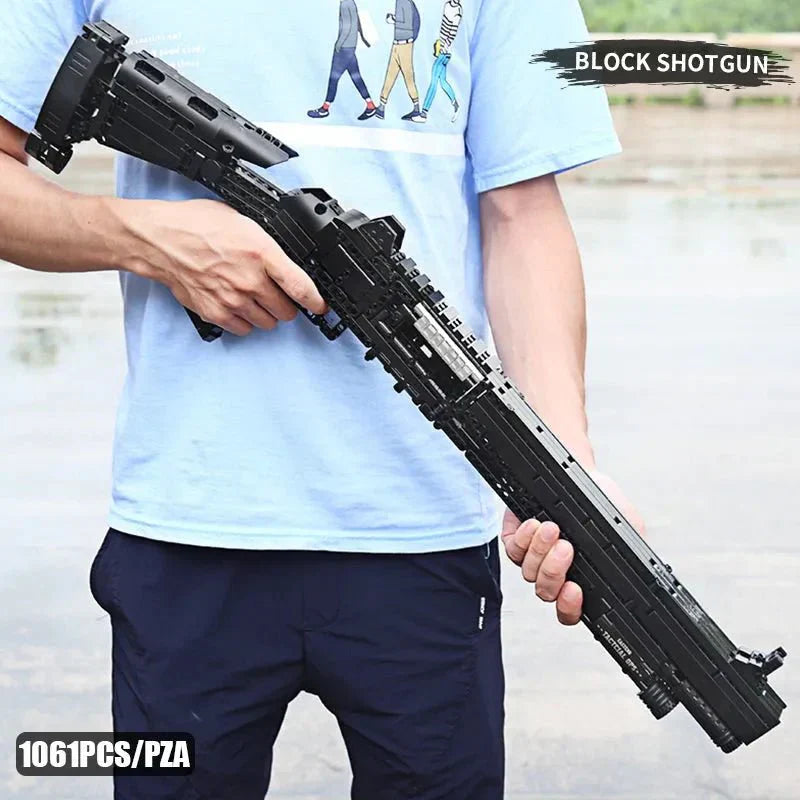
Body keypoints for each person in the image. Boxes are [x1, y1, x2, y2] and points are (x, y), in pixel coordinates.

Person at [0, 1, 645, 798]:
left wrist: (567, 470)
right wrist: (151, 240)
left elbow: (522, 214)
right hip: (188, 525)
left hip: (424, 534)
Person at [308, 0, 378, 121]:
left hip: (344, 48)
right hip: (350, 47)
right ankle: (370, 105)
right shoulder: (351, 2)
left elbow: (347, 27)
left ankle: (325, 109)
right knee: (356, 77)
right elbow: (356, 23)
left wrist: (338, 45)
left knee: (333, 79)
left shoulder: (345, 4)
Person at [418, 0, 463, 123]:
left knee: (433, 81)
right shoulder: (447, 5)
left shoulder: (457, 12)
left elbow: (452, 33)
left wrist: (444, 47)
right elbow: (443, 26)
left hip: (445, 51)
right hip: (441, 47)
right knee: (443, 81)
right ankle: (455, 104)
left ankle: (424, 112)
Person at [377, 0, 422, 121]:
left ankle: (416, 108)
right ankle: (381, 107)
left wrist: (393, 20)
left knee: (408, 77)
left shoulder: (404, 2)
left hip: (405, 45)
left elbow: (407, 23)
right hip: (397, 44)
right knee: (389, 76)